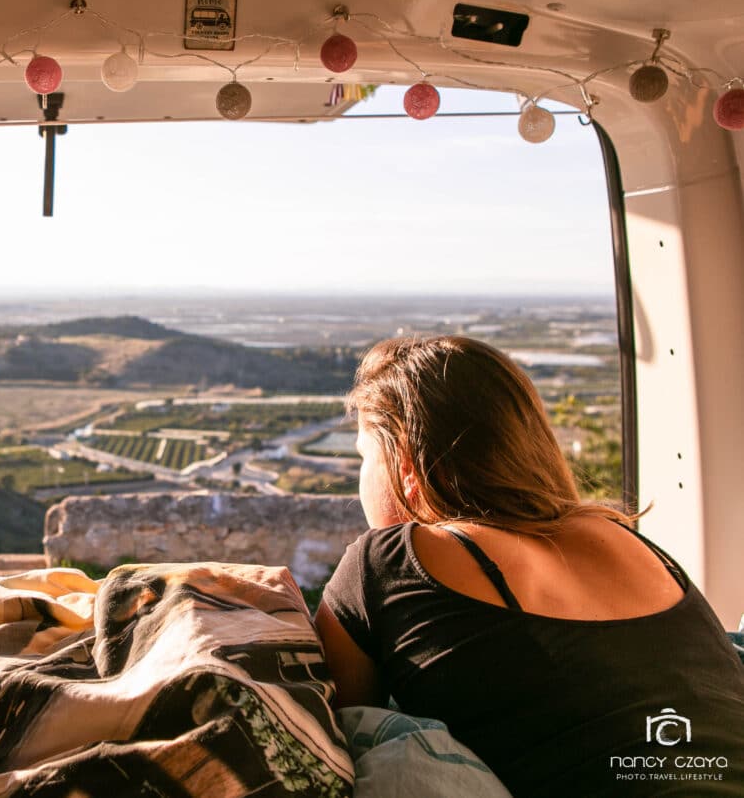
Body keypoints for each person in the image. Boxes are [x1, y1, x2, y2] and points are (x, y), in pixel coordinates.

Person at [314, 335, 744, 796]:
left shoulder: (388, 561)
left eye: (364, 456)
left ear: (404, 463)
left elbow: (332, 736)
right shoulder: (637, 547)